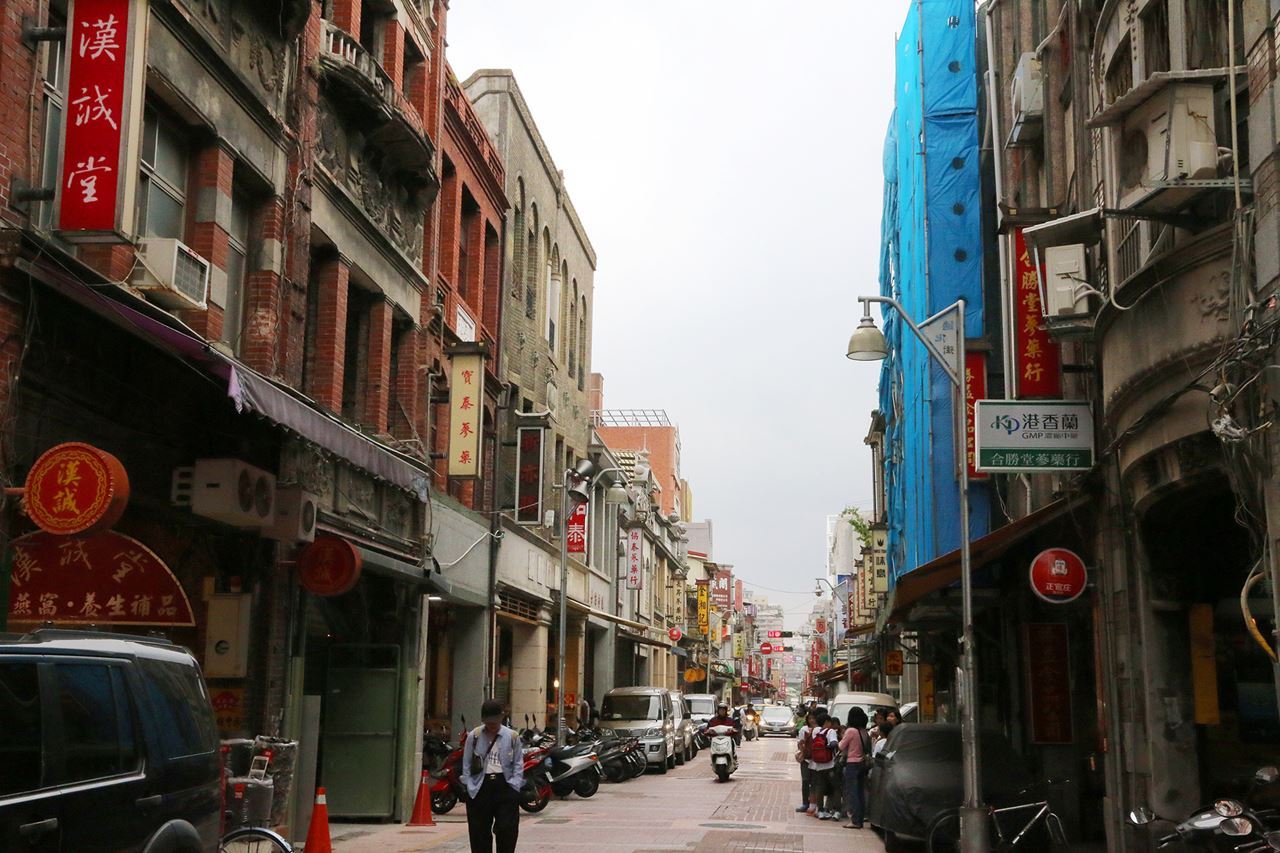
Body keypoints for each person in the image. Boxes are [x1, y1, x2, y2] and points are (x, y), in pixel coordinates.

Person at [462, 698, 524, 853]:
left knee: (507, 829)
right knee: (479, 832)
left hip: (505, 785)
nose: (492, 725)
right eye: (489, 722)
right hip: (480, 787)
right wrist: (469, 785)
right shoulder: (474, 736)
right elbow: (466, 763)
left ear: (501, 717)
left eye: (495, 722)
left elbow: (518, 763)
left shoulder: (512, 736)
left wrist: (515, 785)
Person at [840, 708, 872, 829]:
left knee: (852, 792)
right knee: (860, 792)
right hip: (862, 764)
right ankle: (860, 820)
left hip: (852, 764)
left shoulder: (851, 731)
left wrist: (842, 737)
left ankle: (854, 821)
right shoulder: (864, 732)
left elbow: (841, 746)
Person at [806, 711, 840, 819]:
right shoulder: (831, 731)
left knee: (819, 788)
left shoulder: (817, 731)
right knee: (835, 787)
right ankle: (836, 811)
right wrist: (830, 747)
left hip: (818, 766)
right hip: (829, 765)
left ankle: (820, 811)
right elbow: (834, 743)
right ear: (827, 722)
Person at [794, 711, 817, 812]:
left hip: (817, 760)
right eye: (810, 718)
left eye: (813, 718)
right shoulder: (804, 729)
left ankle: (814, 804)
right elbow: (800, 743)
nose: (812, 720)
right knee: (805, 781)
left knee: (815, 782)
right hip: (806, 759)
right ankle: (805, 803)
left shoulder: (820, 729)